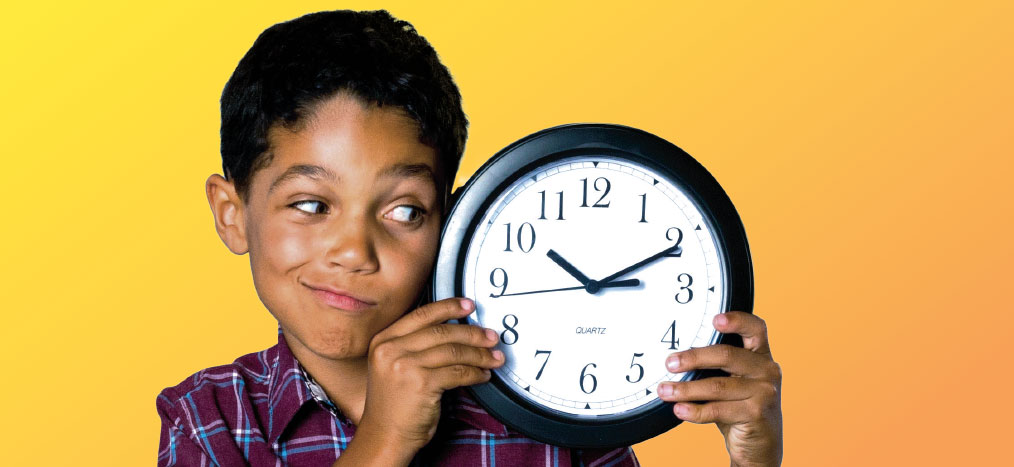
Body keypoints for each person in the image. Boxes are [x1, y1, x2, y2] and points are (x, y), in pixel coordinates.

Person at [156, 9, 783, 466]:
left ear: (454, 228)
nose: (354, 251)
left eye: (404, 212)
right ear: (232, 213)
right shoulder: (211, 421)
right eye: (312, 204)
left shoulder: (552, 408)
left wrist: (753, 458)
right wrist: (384, 440)